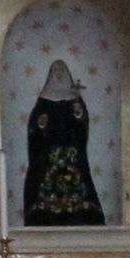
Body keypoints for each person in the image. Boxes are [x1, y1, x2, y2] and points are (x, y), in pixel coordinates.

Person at [21, 57, 104, 226]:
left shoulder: (74, 100)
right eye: (55, 71)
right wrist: (40, 125)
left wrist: (79, 114)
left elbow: (82, 128)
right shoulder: (43, 102)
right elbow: (34, 133)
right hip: (49, 157)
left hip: (71, 155)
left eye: (61, 71)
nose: (58, 75)